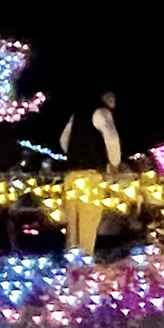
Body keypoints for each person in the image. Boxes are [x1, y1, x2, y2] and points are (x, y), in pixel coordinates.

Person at [59, 88, 121, 256]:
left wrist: (75, 155)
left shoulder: (77, 115)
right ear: (109, 100)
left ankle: (71, 261)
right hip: (90, 177)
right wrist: (114, 163)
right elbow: (112, 137)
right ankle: (85, 263)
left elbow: (64, 141)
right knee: (88, 222)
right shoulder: (102, 112)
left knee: (73, 225)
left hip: (71, 176)